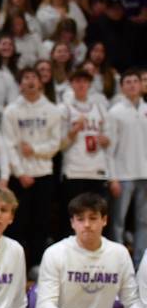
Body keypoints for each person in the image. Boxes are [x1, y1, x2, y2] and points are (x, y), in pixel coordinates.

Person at [1, 67, 62, 269]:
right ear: (20, 84)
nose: (30, 81)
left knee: (42, 222)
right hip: (20, 177)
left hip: (44, 173)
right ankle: (18, 266)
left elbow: (56, 144)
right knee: (18, 223)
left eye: (34, 77)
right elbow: (8, 145)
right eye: (25, 77)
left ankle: (37, 265)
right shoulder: (11, 111)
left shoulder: (52, 110)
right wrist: (20, 173)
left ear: (41, 82)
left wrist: (35, 149)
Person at [58, 69, 112, 237]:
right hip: (74, 170)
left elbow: (110, 139)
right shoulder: (64, 109)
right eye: (77, 81)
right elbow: (60, 144)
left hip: (97, 170)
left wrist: (106, 139)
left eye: (84, 81)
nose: (81, 85)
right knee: (75, 216)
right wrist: (74, 131)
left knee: (98, 215)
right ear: (71, 84)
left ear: (89, 84)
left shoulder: (100, 108)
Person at [107, 69, 147, 266]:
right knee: (118, 223)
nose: (132, 85)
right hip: (123, 175)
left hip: (145, 175)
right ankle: (118, 264)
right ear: (122, 87)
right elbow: (109, 148)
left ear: (141, 85)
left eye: (135, 81)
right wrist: (112, 177)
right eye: (128, 82)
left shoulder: (146, 109)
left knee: (143, 222)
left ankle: (140, 263)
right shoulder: (115, 112)